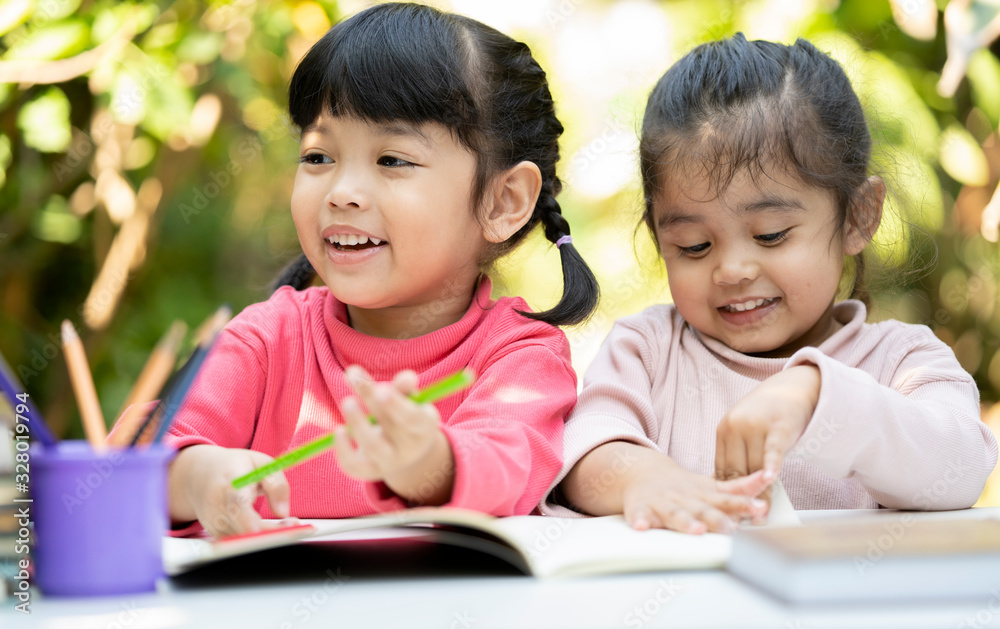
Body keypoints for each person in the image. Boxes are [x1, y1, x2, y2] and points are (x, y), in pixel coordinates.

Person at [161, 2, 598, 538]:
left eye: (392, 160)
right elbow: (136, 458)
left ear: (503, 201)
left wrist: (428, 463)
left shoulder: (520, 356)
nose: (341, 192)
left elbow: (506, 465)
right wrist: (196, 475)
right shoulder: (266, 339)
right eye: (318, 157)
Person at [542, 33, 998, 534]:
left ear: (858, 216)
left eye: (771, 235)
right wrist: (644, 480)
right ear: (658, 236)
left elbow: (958, 467)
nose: (732, 270)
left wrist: (817, 395)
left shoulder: (903, 361)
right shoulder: (648, 351)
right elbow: (587, 447)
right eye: (694, 245)